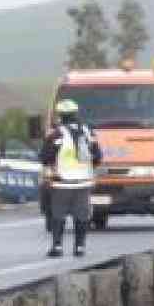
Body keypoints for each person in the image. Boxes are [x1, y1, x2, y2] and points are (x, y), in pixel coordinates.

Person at [40, 98, 102, 257]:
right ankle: (80, 247)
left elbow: (45, 157)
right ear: (76, 114)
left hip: (62, 182)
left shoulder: (56, 134)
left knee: (58, 215)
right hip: (83, 182)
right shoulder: (88, 132)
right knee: (82, 215)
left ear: (60, 115)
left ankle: (57, 246)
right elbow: (97, 157)